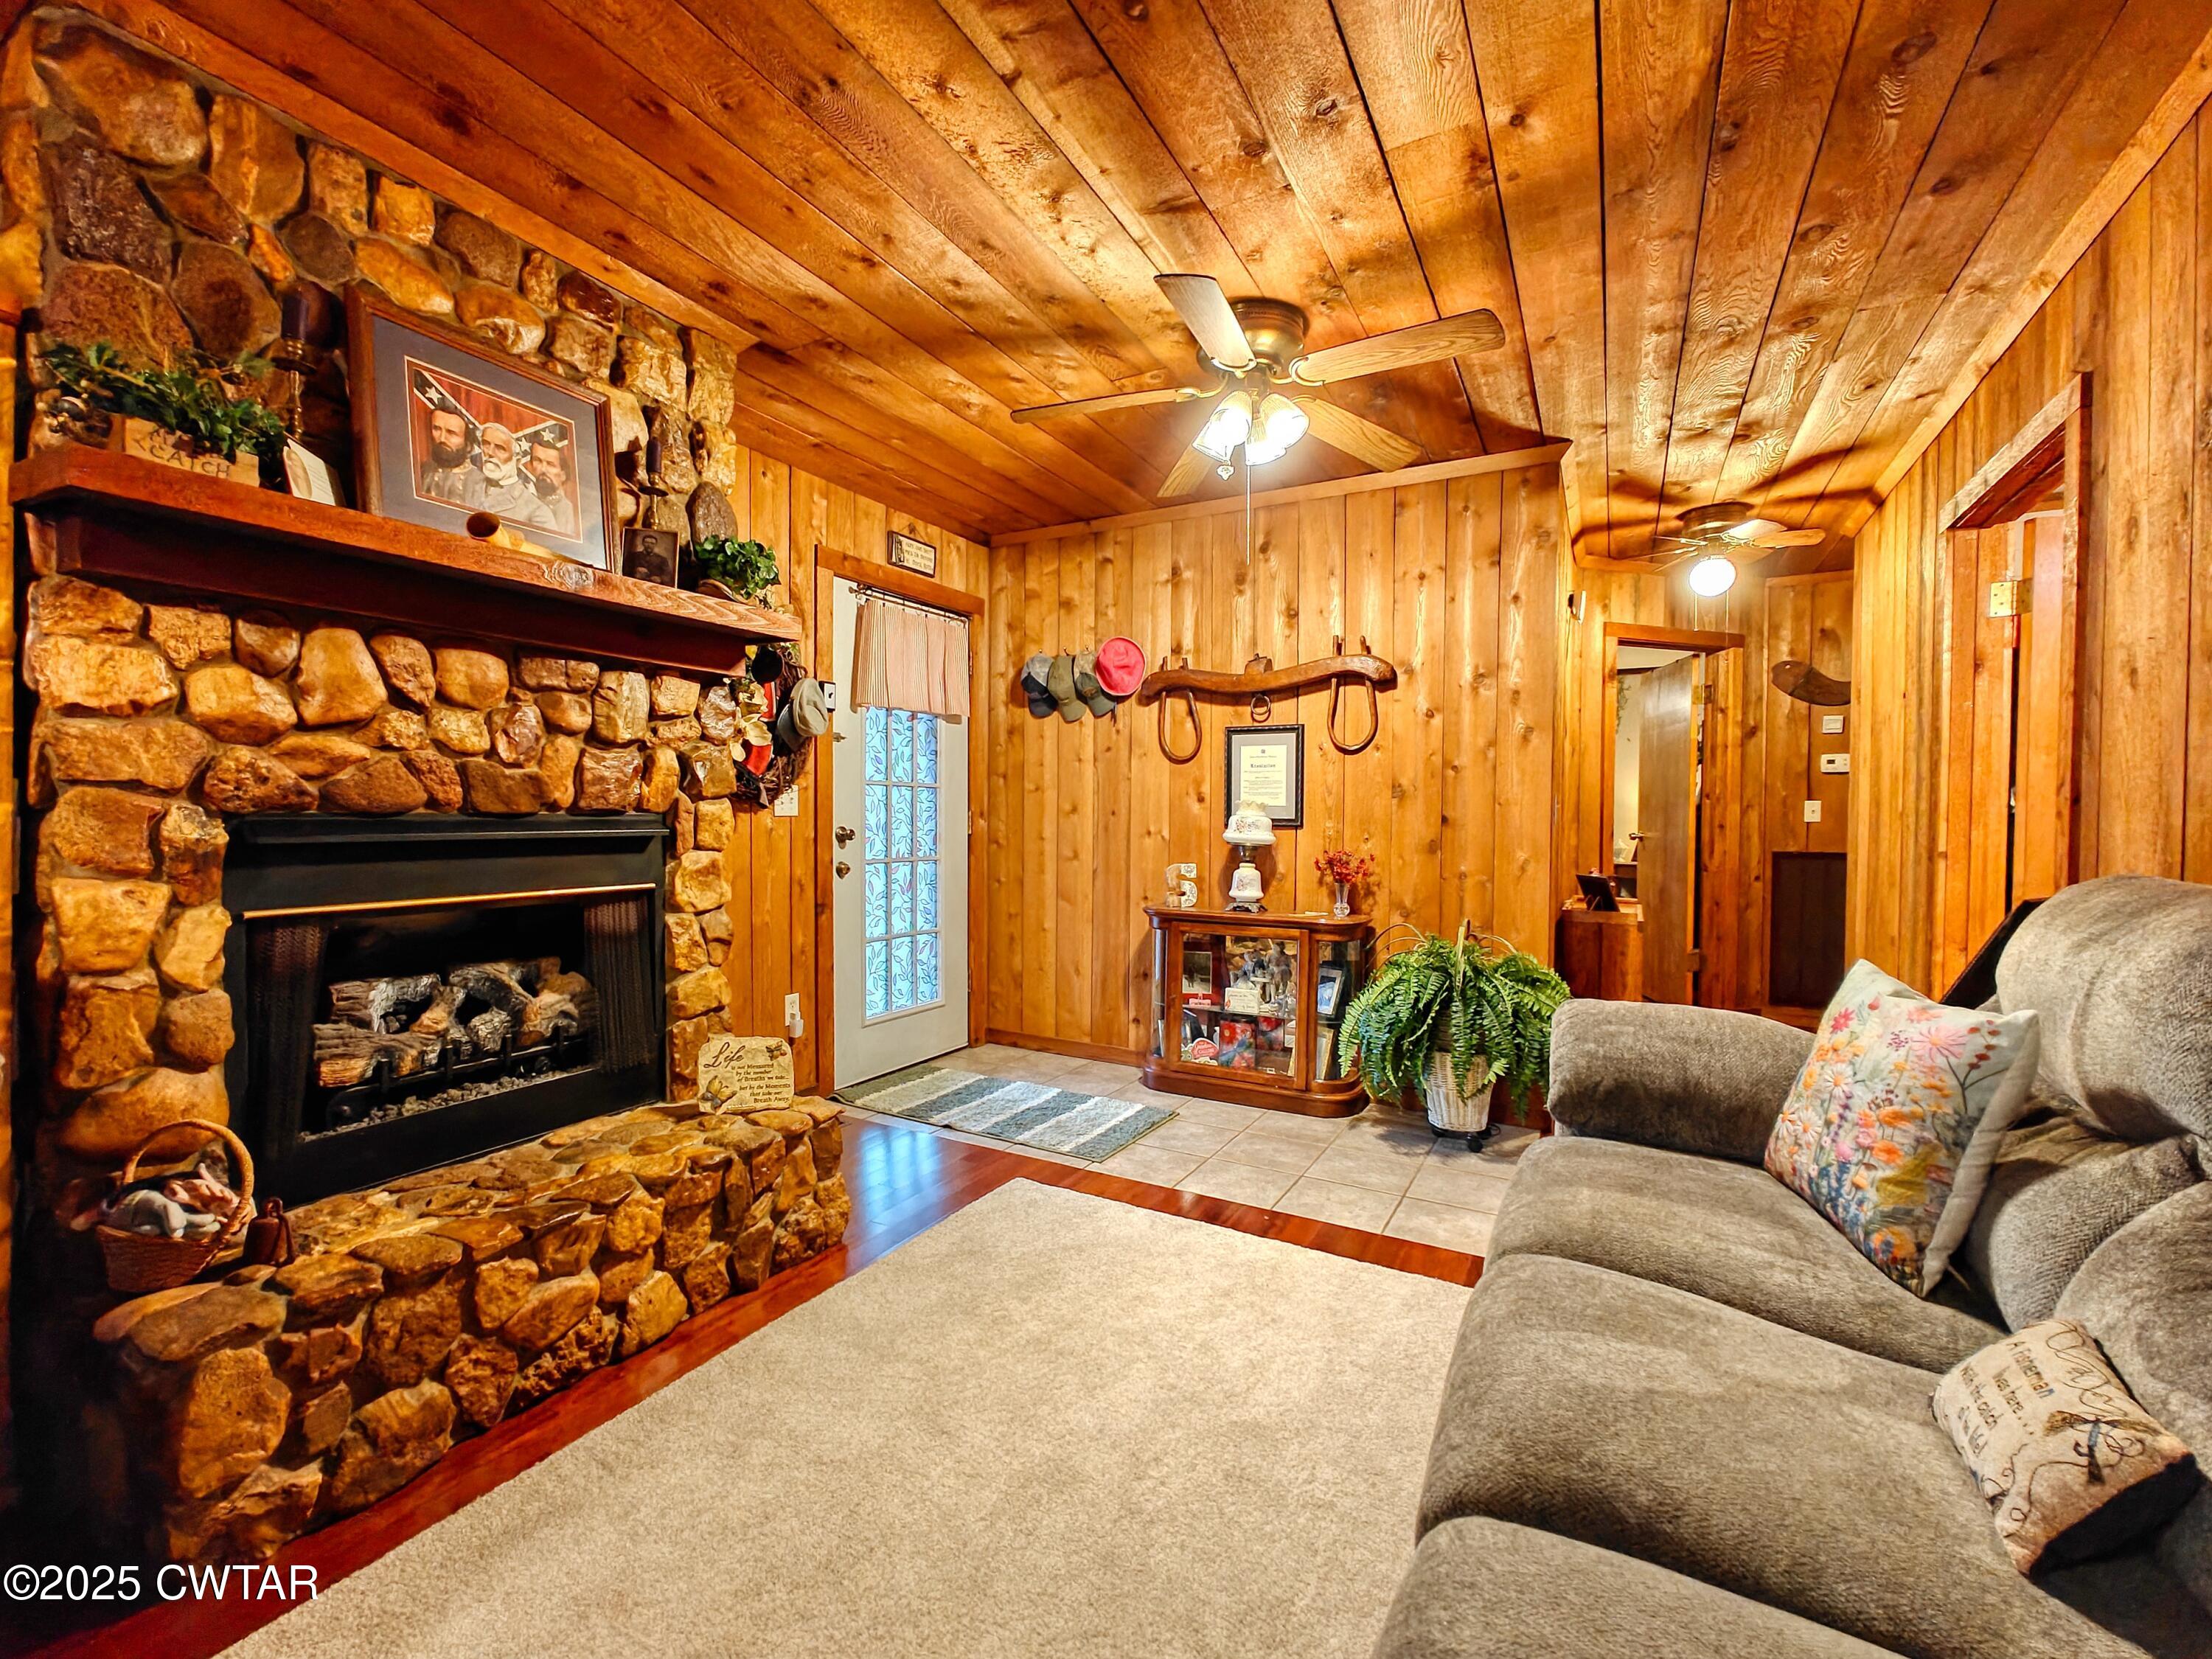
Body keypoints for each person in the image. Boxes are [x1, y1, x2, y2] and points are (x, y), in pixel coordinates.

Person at [475, 422, 555, 532]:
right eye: (486, 444)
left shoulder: (537, 511)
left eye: (500, 448)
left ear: (517, 461)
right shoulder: (468, 481)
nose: (490, 452)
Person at [417, 405, 483, 509]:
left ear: (468, 445)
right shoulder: (422, 471)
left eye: (452, 433)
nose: (442, 438)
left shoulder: (481, 483)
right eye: (437, 429)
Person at [524, 436, 579, 538]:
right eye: (538, 461)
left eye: (550, 464)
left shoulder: (566, 510)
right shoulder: (522, 497)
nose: (543, 469)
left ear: (563, 475)